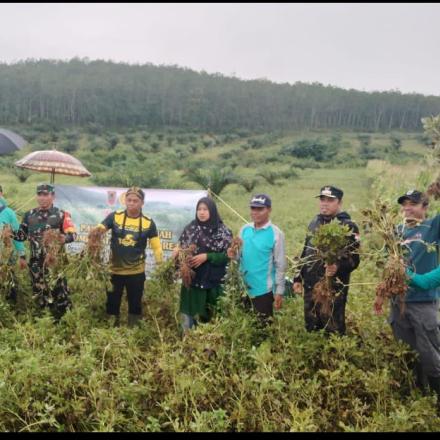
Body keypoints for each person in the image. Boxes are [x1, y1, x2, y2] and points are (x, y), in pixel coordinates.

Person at [374, 190, 440, 405]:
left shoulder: (432, 227)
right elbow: (387, 264)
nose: (408, 208)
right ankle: (417, 394)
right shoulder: (396, 231)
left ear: (425, 207)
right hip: (399, 303)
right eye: (405, 204)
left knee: (430, 354)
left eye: (413, 203)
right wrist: (382, 293)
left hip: (423, 302)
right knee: (408, 353)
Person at [293, 186, 360, 335]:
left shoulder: (348, 226)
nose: (325, 203)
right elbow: (306, 251)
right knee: (312, 326)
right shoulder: (314, 222)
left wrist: (338, 266)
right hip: (311, 286)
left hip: (333, 289)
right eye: (322, 199)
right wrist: (298, 277)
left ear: (339, 202)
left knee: (333, 329)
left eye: (330, 200)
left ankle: (334, 356)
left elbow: (355, 260)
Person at [97, 186, 163, 327]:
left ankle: (133, 333)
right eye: (129, 200)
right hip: (114, 271)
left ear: (142, 203)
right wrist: (94, 235)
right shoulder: (115, 217)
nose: (132, 203)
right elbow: (100, 229)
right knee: (112, 303)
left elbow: (157, 246)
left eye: (135, 201)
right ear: (125, 201)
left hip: (136, 273)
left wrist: (161, 265)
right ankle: (111, 331)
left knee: (135, 304)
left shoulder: (148, 222)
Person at [14, 184, 77, 320]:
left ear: (52, 196)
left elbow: (73, 235)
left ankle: (64, 322)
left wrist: (63, 238)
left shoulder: (62, 214)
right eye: (39, 194)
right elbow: (21, 236)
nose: (42, 198)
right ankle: (45, 322)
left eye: (45, 194)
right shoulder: (29, 215)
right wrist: (7, 232)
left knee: (60, 294)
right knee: (40, 294)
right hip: (36, 264)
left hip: (55, 263)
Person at [173, 197, 232, 332]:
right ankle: (186, 347)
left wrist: (207, 256)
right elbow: (181, 250)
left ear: (212, 211)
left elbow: (227, 256)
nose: (202, 212)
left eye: (205, 209)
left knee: (212, 320)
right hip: (192, 283)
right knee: (188, 318)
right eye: (199, 209)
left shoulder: (222, 231)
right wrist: (178, 254)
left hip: (213, 284)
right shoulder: (190, 228)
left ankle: (209, 349)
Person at [227, 194, 286, 326]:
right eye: (253, 208)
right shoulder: (244, 229)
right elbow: (238, 256)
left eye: (260, 209)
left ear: (269, 210)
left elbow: (280, 265)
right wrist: (233, 254)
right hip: (243, 288)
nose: (255, 212)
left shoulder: (276, 234)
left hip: (263, 291)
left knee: (262, 329)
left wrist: (279, 292)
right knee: (243, 327)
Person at [0, 185, 27, 304]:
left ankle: (13, 308)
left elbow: (17, 236)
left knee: (10, 285)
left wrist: (22, 256)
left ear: (1, 194)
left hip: (6, 258)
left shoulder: (8, 213)